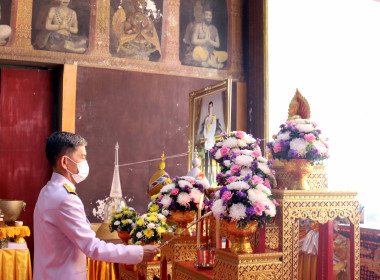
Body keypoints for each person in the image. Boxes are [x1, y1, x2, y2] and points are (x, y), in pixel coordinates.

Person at [33, 131, 159, 280]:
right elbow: (93, 248)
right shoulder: (65, 199)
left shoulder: (47, 190)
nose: (85, 163)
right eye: (82, 157)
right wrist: (139, 252)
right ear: (64, 162)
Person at [203, 101, 216, 183]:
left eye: (210, 107)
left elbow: (213, 128)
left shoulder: (213, 117)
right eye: (208, 107)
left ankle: (211, 180)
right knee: (206, 159)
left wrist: (209, 137)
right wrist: (205, 137)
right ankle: (206, 179)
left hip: (211, 139)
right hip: (206, 139)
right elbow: (205, 128)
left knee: (211, 161)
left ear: (212, 107)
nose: (209, 108)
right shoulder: (206, 118)